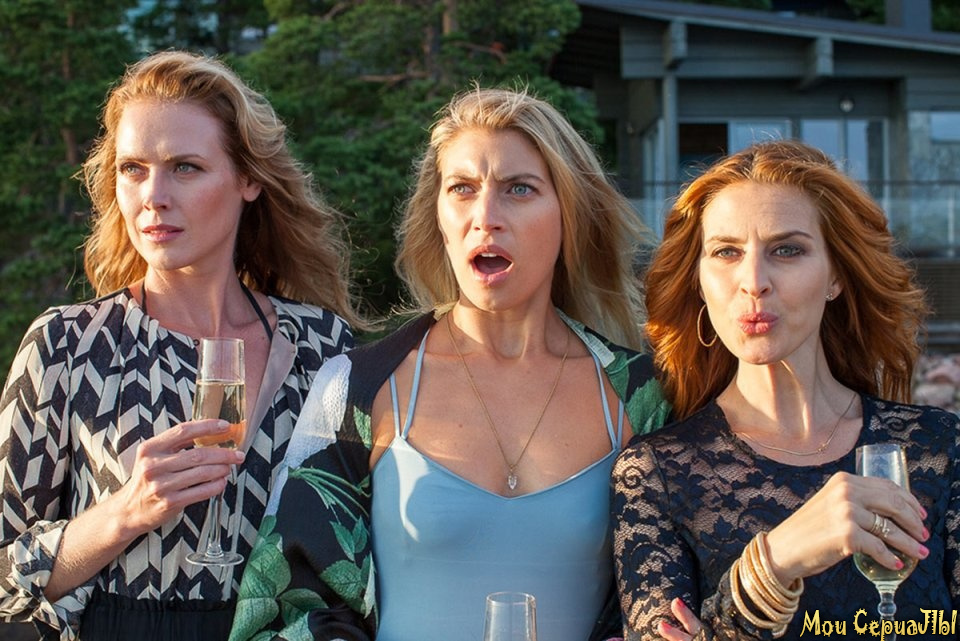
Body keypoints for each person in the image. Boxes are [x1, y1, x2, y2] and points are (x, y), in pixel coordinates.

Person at [229, 86, 672, 641]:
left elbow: (677, 596)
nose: (485, 217)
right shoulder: (357, 388)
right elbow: (284, 606)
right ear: (438, 216)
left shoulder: (643, 398)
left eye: (519, 189)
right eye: (462, 189)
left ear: (569, 214)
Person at [0, 51, 360, 641]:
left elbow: (350, 555)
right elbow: (3, 577)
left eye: (185, 167)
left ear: (248, 180)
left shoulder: (321, 346)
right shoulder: (67, 345)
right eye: (133, 168)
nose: (153, 196)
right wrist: (124, 512)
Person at [613, 139, 960, 640]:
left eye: (787, 250)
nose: (753, 281)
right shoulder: (655, 475)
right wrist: (777, 563)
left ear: (836, 275)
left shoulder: (939, 448)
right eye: (726, 252)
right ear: (699, 282)